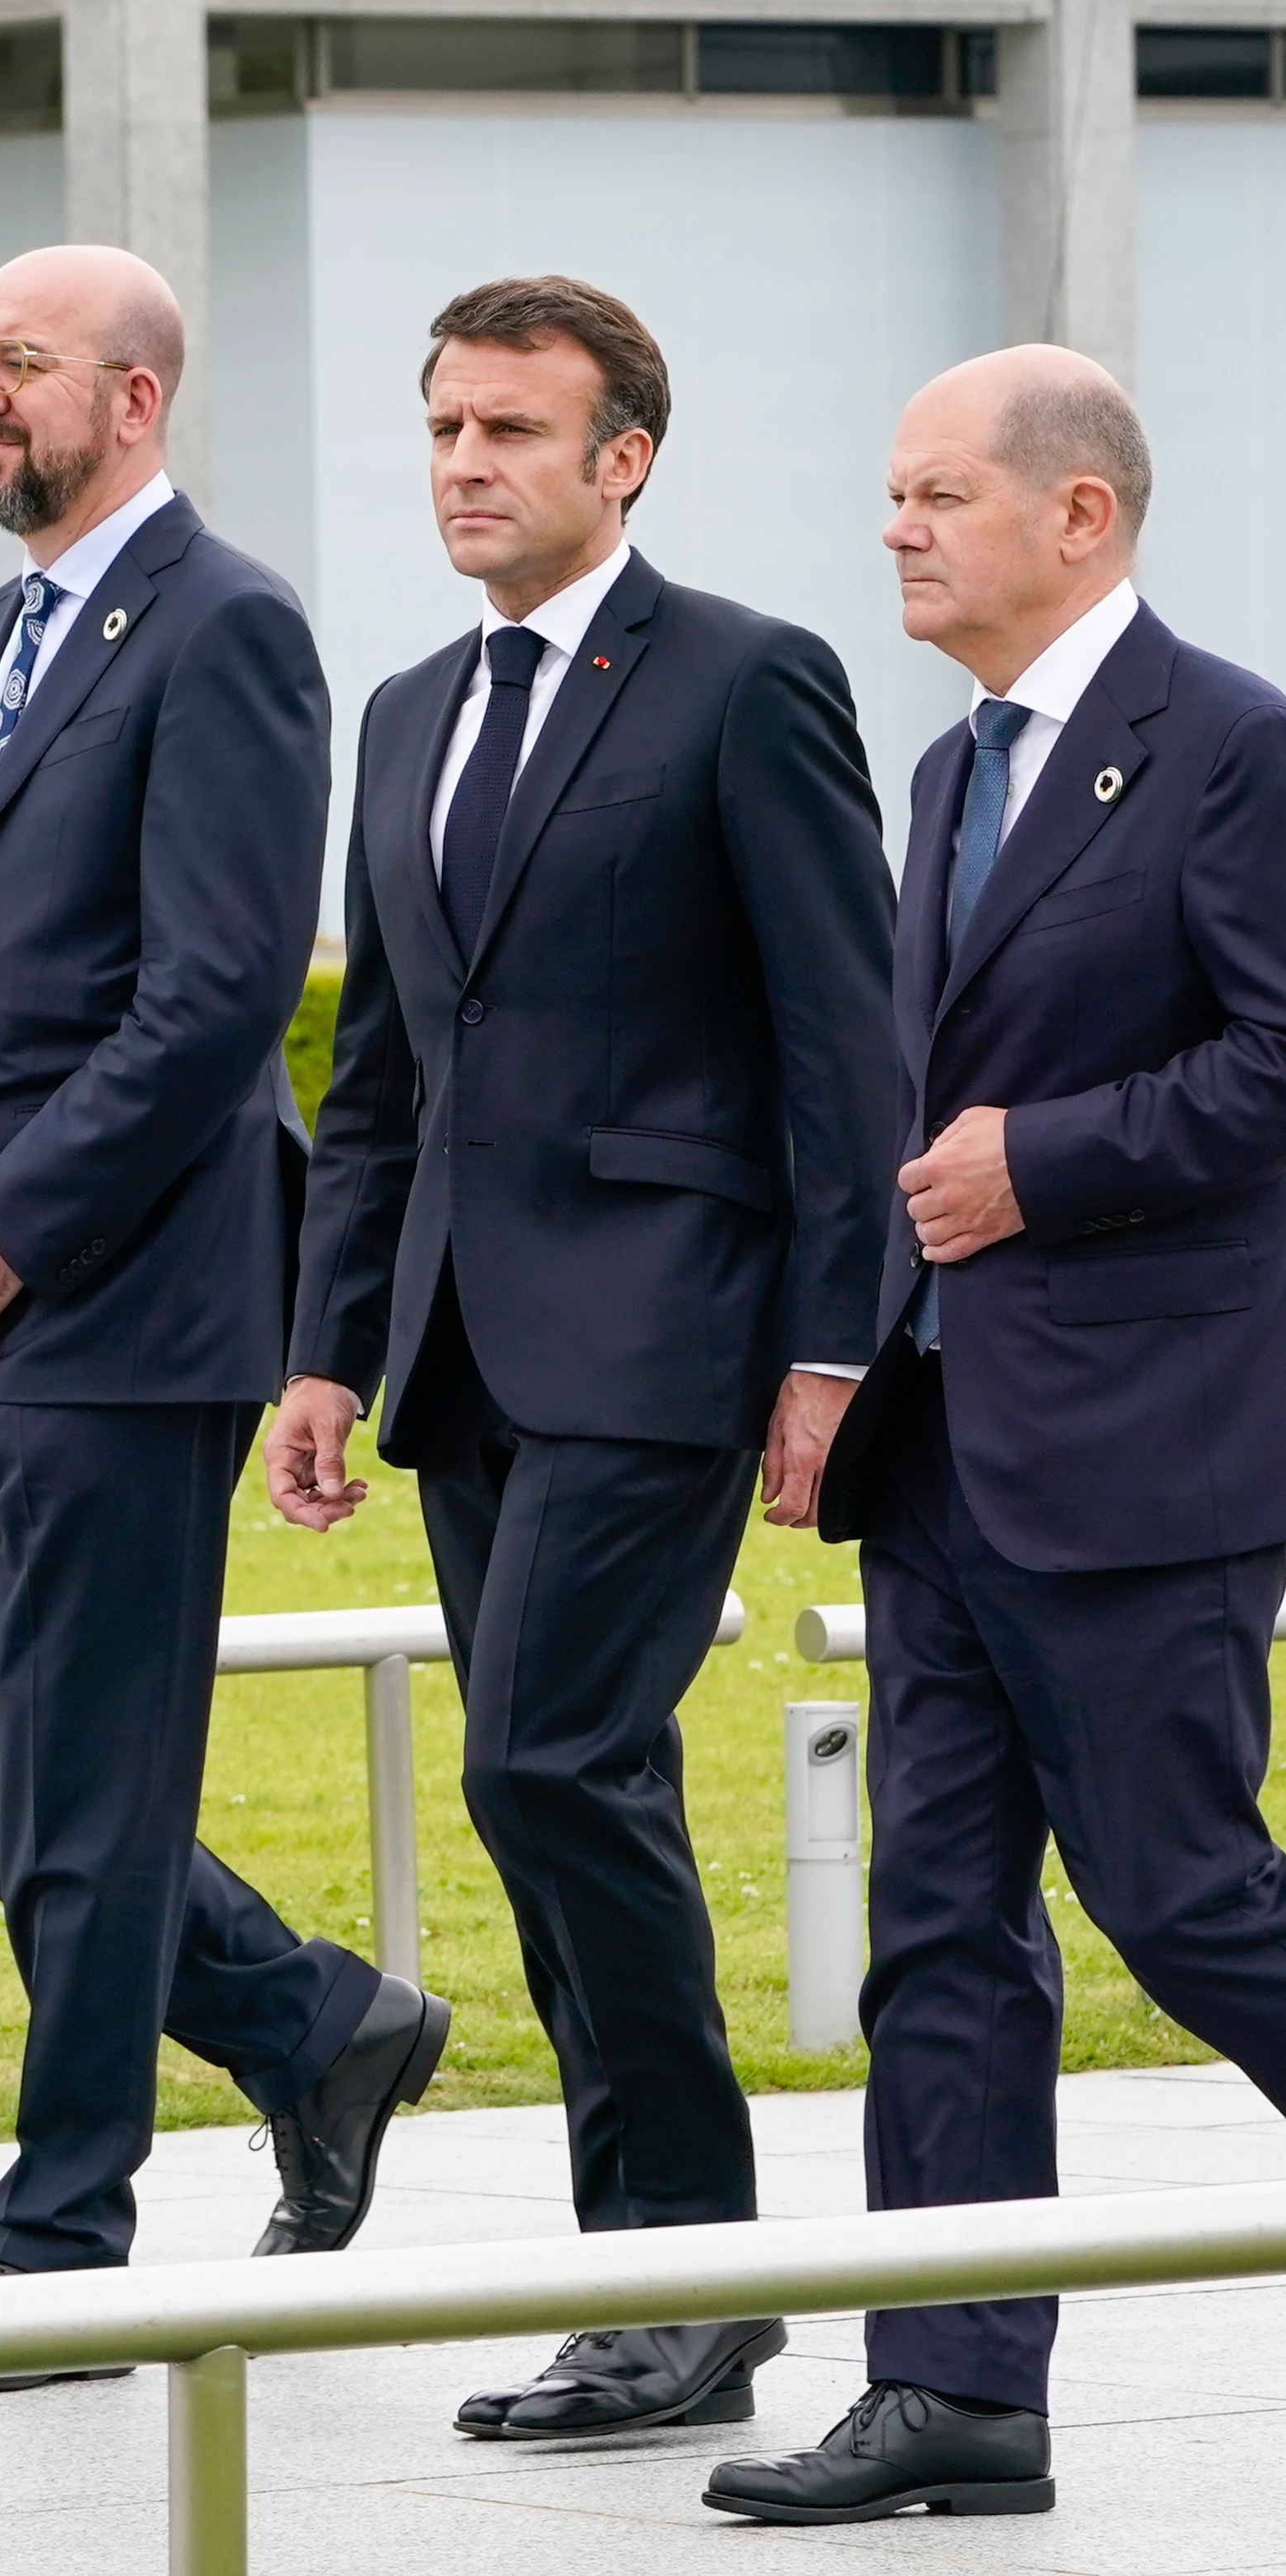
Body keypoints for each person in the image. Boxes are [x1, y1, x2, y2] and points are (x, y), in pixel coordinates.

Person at [268, 277, 897, 2445]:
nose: (464, 463)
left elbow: (847, 1044)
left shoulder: (745, 682)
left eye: (512, 431)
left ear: (621, 457)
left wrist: (838, 1342)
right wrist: (328, 1350)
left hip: (665, 1328)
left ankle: (683, 2273)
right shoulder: (403, 712)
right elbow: (375, 1078)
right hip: (456, 1345)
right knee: (540, 1784)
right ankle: (654, 2276)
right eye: (445, 425)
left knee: (547, 1762)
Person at [0, 246, 445, 2377]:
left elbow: (213, 995)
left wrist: (8, 1226)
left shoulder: (229, 627)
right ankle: (303, 2013)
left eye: (17, 364)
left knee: (92, 1787)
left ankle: (58, 2247)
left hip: (122, 1308)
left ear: (137, 395)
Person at [710, 347, 1286, 2526]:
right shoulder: (951, 773)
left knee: (1181, 1894)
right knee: (936, 1928)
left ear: (1080, 514)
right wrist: (847, 1355)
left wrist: (1049, 1161)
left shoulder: (1230, 748)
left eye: (934, 492)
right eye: (888, 494)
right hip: (942, 1447)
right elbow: (899, 1118)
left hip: (1145, 1444)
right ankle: (953, 2384)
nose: (893, 528)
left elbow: (1274, 1061)